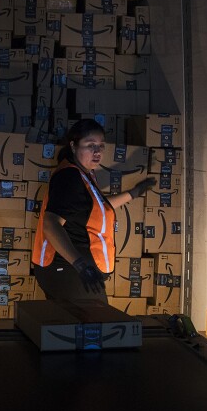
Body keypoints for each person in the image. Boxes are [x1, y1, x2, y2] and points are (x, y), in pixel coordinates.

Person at [32, 119, 156, 304]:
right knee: (96, 325)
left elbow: (98, 207)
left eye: (101, 146)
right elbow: (51, 225)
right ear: (74, 146)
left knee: (77, 326)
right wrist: (81, 265)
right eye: (90, 146)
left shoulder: (84, 173)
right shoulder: (70, 178)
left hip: (74, 270)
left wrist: (134, 193)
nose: (97, 152)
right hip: (66, 269)